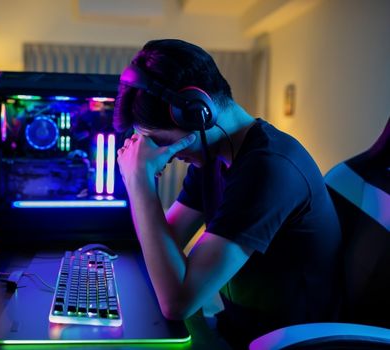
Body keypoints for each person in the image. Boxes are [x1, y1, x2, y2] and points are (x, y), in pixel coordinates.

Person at [114, 39, 342, 349]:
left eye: (160, 140)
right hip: (236, 327)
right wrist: (139, 180)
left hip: (283, 342)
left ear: (198, 113)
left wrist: (139, 182)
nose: (162, 155)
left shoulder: (269, 169)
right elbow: (165, 242)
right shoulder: (212, 153)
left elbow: (178, 301)